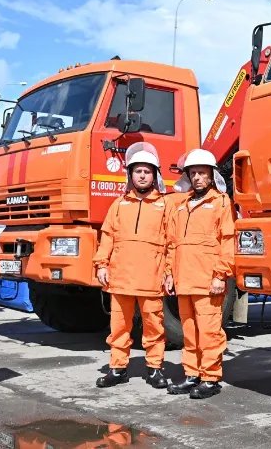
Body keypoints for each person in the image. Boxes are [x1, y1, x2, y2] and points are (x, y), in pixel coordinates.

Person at [92, 142, 171, 390]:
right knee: (118, 327)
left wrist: (169, 272)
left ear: (155, 175)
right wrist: (101, 265)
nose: (143, 176)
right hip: (120, 278)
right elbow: (107, 237)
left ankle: (155, 369)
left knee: (154, 326)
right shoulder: (118, 205)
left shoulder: (165, 206)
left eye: (147, 171)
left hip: (151, 278)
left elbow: (172, 243)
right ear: (130, 175)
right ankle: (117, 368)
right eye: (138, 171)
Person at [165, 148, 236, 400]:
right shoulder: (182, 206)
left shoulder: (221, 203)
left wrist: (221, 275)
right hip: (184, 281)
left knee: (209, 332)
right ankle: (192, 374)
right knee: (189, 332)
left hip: (208, 281)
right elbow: (173, 243)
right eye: (193, 173)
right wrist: (169, 273)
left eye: (202, 173)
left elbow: (228, 241)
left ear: (211, 175)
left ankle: (210, 378)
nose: (197, 178)